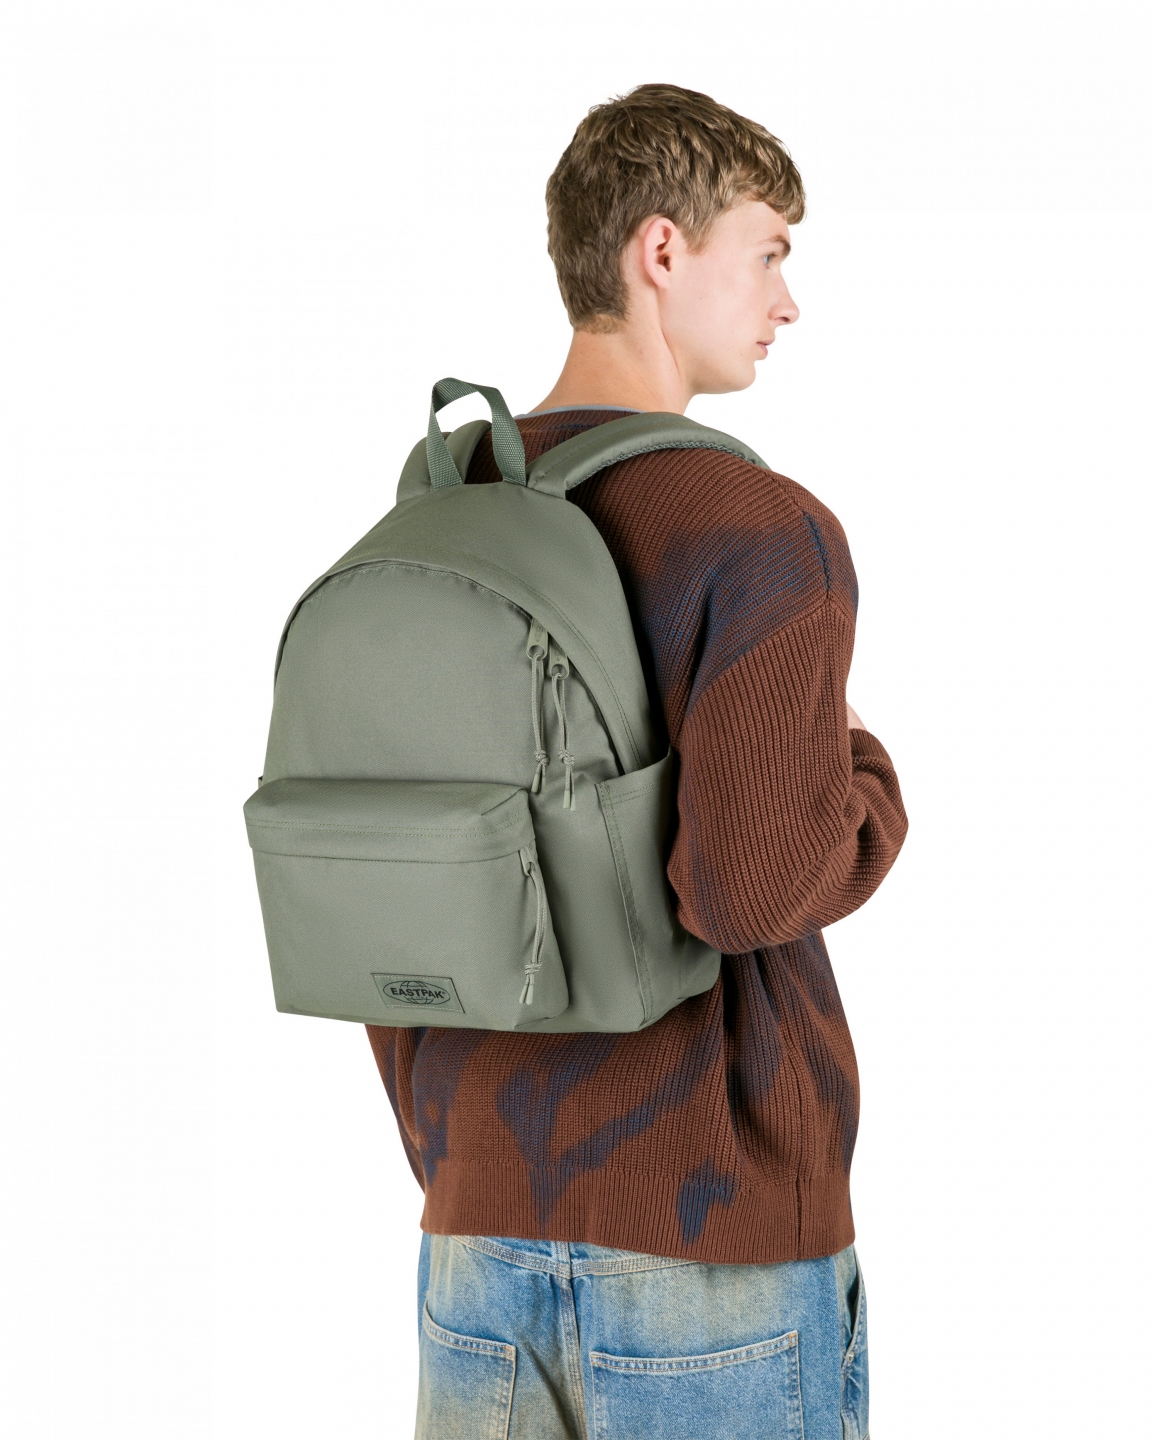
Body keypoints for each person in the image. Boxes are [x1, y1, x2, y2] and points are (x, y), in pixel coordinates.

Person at [368, 83, 908, 1440]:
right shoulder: (755, 527)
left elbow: (398, 868)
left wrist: (454, 1153)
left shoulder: (440, 510)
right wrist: (870, 790)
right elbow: (748, 887)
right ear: (662, 250)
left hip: (475, 1229)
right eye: (769, 252)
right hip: (712, 1248)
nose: (788, 302)